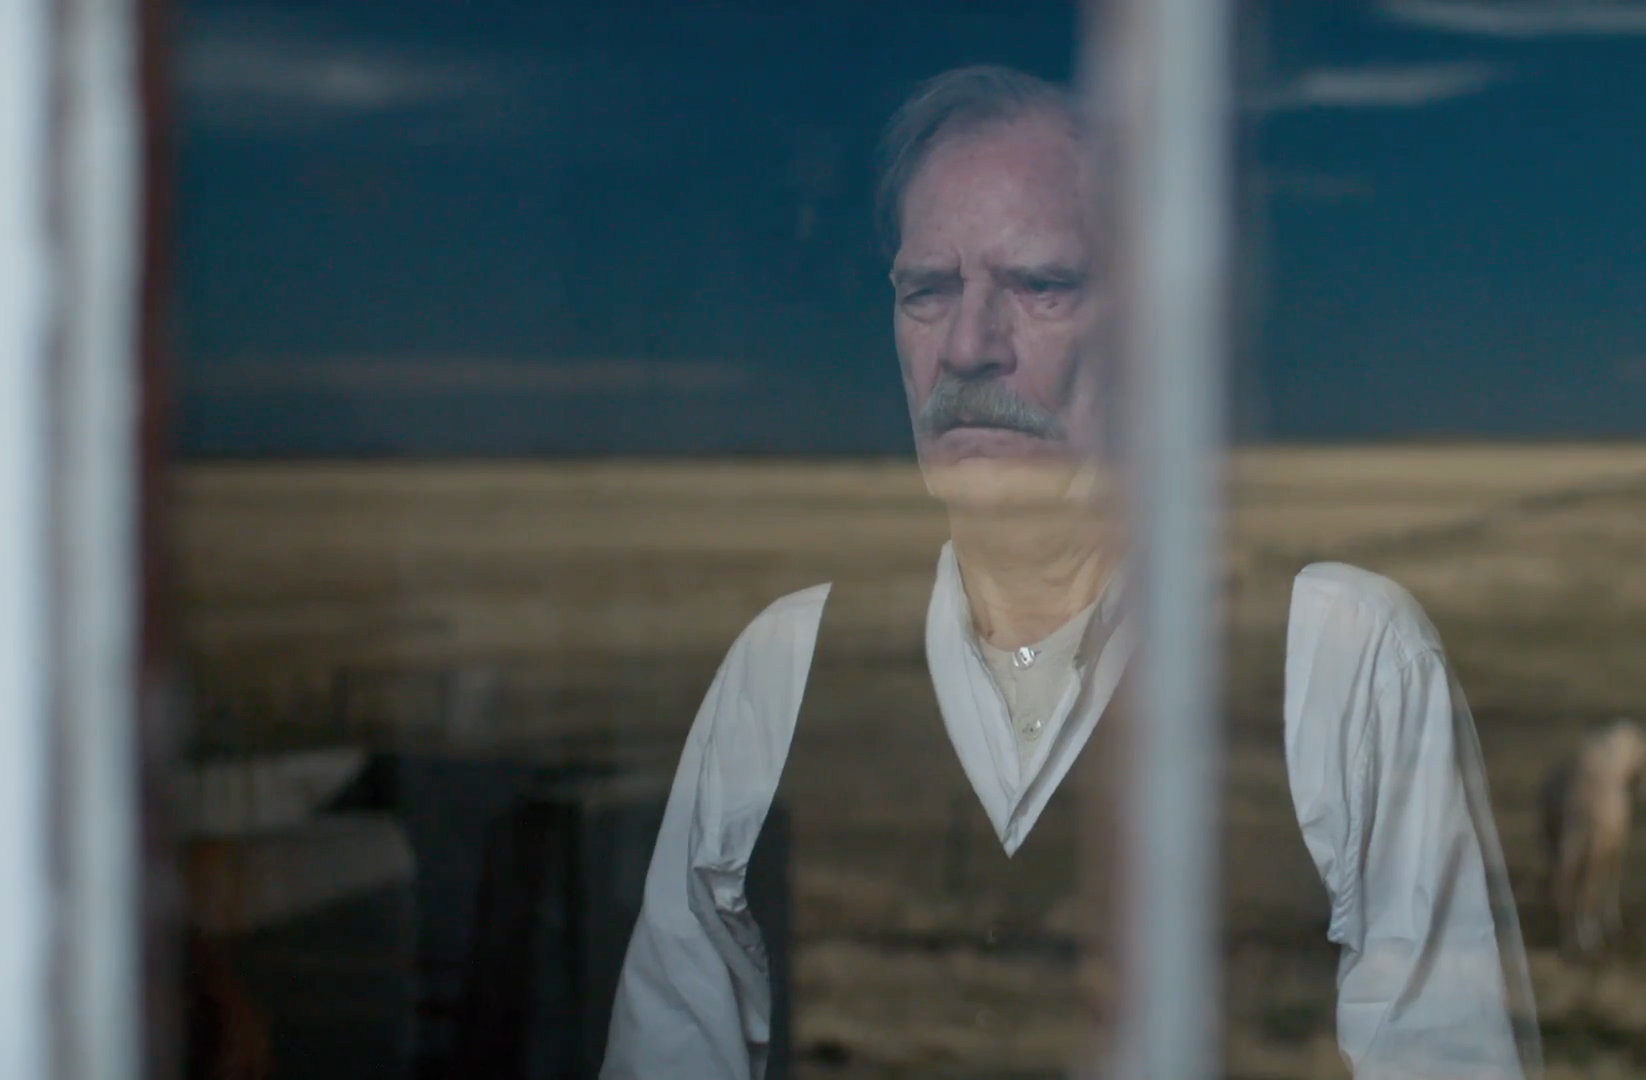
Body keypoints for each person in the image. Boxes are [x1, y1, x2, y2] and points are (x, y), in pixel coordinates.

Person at [600, 64, 1542, 1080]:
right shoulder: (780, 674)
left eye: (1041, 286)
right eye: (927, 291)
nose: (969, 347)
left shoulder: (1340, 665)